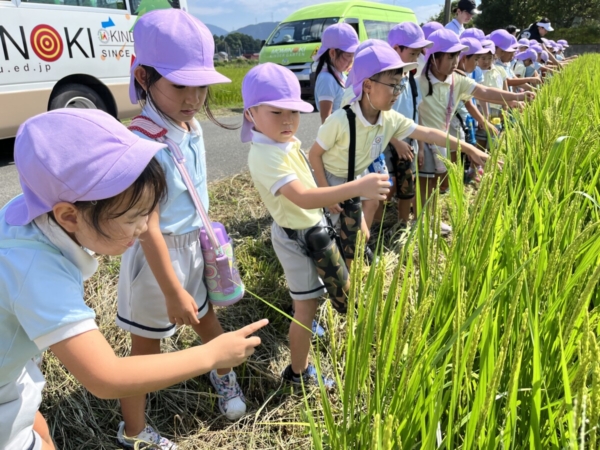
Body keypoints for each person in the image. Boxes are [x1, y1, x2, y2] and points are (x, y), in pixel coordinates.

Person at [0, 109, 267, 450]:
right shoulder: (37, 271)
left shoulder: (28, 211)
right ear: (68, 215)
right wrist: (211, 355)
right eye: (132, 217)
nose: (143, 228)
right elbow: (106, 377)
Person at [116, 10, 246, 448]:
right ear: (144, 76)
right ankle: (133, 431)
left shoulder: (189, 125)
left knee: (207, 321)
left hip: (194, 247)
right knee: (145, 352)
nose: (193, 98)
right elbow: (147, 225)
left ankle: (221, 373)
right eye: (179, 85)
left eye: (201, 85)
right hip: (158, 260)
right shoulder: (143, 140)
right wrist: (171, 289)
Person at [243, 63, 391, 386]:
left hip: (312, 228)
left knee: (319, 292)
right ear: (250, 114)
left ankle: (308, 325)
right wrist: (357, 188)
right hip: (296, 239)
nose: (287, 121)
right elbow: (303, 197)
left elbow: (308, 181)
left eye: (293, 113)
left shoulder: (283, 142)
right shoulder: (265, 156)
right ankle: (298, 373)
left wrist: (330, 202)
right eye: (276, 112)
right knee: (306, 308)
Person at [308, 42, 492, 239]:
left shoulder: (389, 118)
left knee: (370, 205)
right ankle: (347, 253)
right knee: (336, 230)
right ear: (368, 85)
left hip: (356, 173)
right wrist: (326, 190)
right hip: (332, 176)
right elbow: (314, 154)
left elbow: (429, 133)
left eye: (400, 84)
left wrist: (469, 149)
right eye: (393, 85)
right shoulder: (341, 119)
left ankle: (360, 249)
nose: (398, 92)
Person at [418, 29, 533, 233]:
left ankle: (432, 220)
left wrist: (518, 97)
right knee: (426, 183)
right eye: (450, 56)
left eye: (457, 56)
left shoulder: (457, 80)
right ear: (433, 57)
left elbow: (485, 92)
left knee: (438, 183)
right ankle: (423, 223)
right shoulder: (420, 81)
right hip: (421, 139)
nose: (455, 61)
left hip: (444, 139)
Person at [383, 22, 432, 228]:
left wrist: (420, 145)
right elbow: (379, 117)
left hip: (407, 142)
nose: (417, 59)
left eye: (418, 54)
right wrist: (395, 142)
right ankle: (378, 228)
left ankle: (402, 226)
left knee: (407, 186)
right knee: (386, 189)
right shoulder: (383, 80)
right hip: (385, 142)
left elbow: (416, 113)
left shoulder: (410, 79)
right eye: (412, 54)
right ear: (396, 50)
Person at [313, 23, 360, 123]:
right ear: (332, 53)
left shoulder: (340, 73)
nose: (351, 61)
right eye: (348, 56)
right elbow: (326, 119)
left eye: (353, 56)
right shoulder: (326, 79)